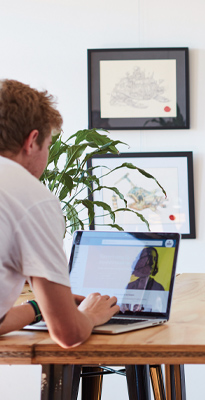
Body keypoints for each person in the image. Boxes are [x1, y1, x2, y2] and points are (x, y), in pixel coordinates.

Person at [0, 79, 119, 347]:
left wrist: (37, 306)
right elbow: (68, 334)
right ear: (31, 141)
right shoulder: (30, 196)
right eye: (48, 145)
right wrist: (88, 315)